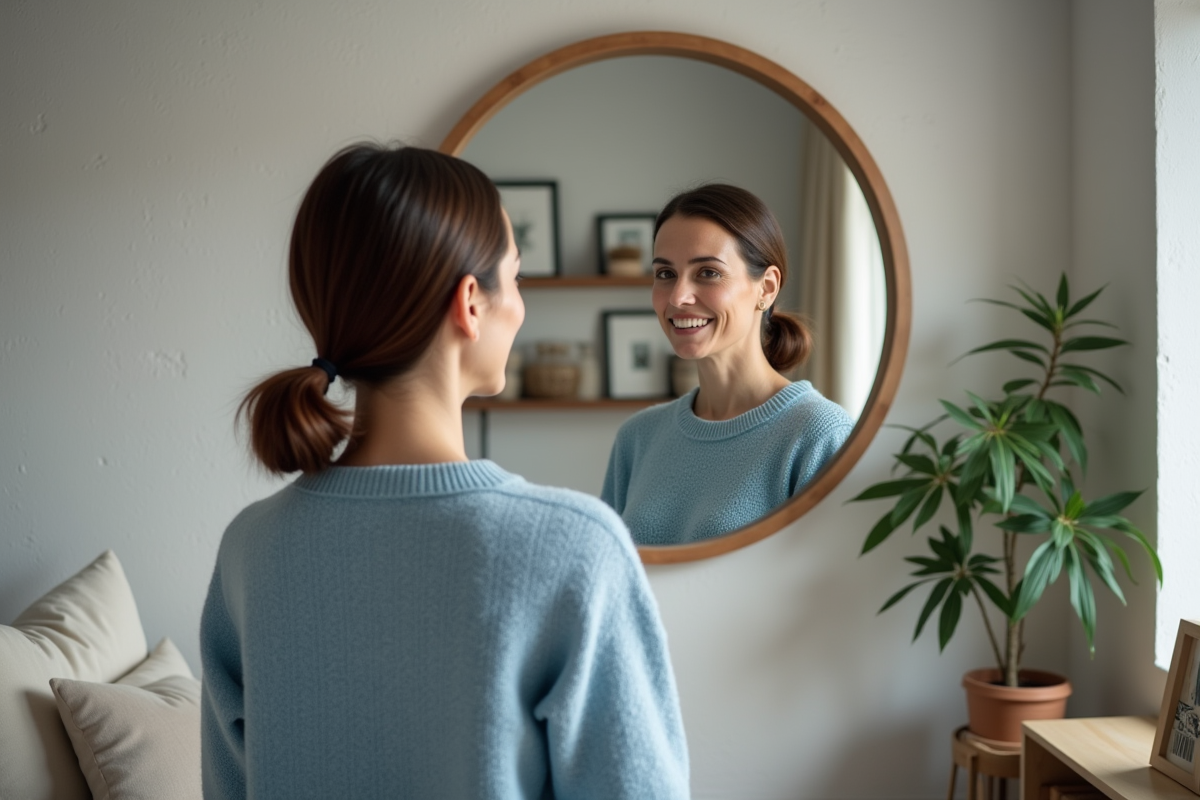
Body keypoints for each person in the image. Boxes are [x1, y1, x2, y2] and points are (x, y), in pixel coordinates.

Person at [200, 144, 689, 799]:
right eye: (516, 278)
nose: (521, 305)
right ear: (471, 302)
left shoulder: (251, 548)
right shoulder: (573, 547)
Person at [602, 184, 854, 546]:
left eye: (707, 272)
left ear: (766, 288)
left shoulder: (819, 435)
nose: (678, 297)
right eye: (665, 274)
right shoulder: (638, 437)